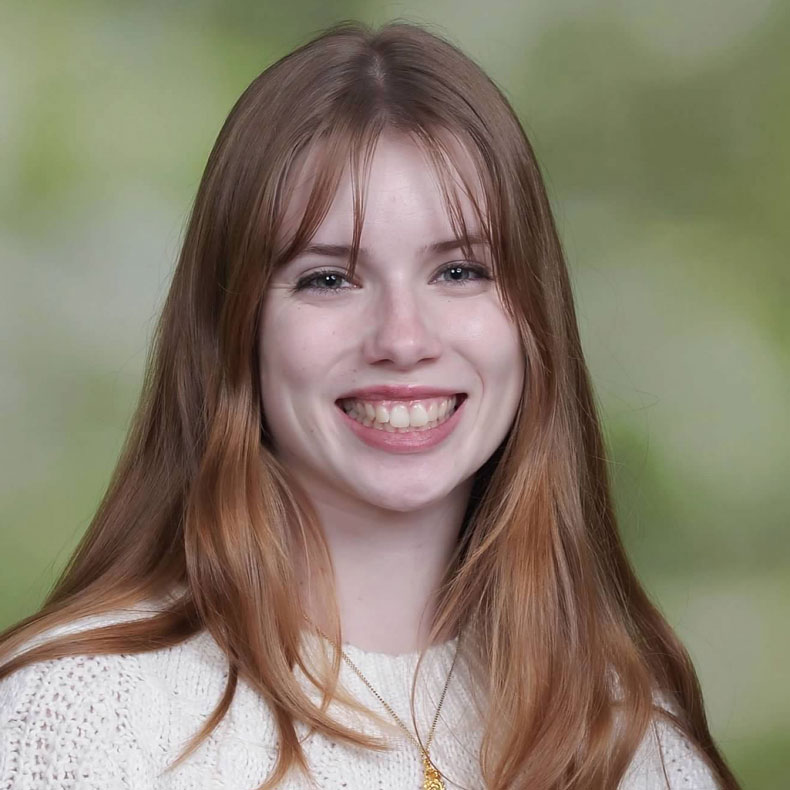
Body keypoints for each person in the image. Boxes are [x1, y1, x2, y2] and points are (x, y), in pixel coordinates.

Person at [0, 19, 739, 790]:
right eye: (329, 278)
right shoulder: (79, 721)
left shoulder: (638, 748)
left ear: (534, 318)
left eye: (459, 271)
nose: (402, 337)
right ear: (235, 329)